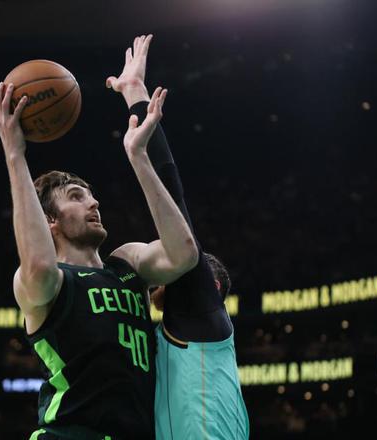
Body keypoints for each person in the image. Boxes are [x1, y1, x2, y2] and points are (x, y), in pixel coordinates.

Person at [0, 76, 198, 438]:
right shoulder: (49, 283)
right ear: (50, 220)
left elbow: (184, 254)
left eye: (91, 196)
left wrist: (140, 158)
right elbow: (38, 264)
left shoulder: (127, 263)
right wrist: (15, 154)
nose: (94, 203)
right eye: (76, 196)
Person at [106, 34, 250, 439]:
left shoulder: (200, 315)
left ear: (210, 285)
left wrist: (135, 95)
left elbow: (174, 196)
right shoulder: (177, 334)